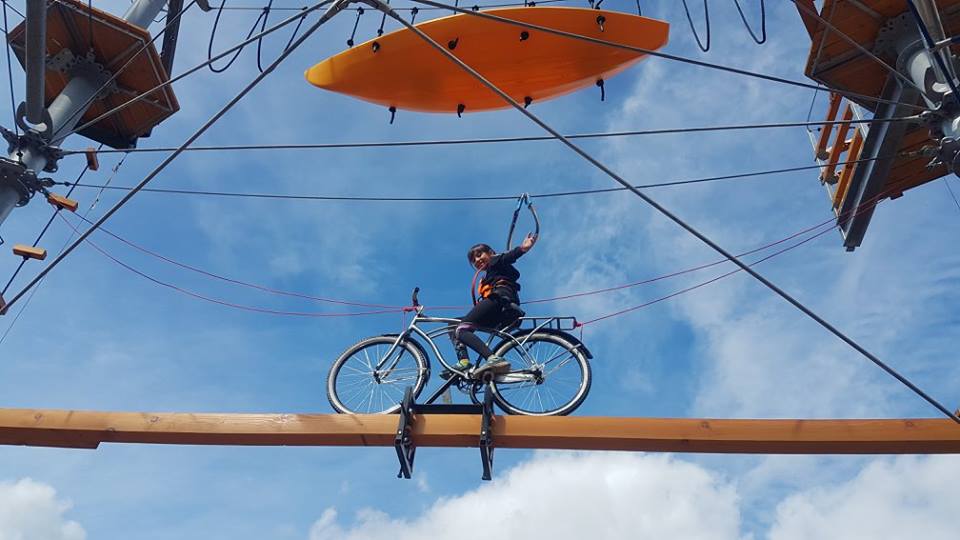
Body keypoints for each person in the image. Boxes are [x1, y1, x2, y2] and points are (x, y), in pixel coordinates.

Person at [448, 233, 538, 377]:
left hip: (500, 301)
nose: (477, 260)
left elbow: (507, 257)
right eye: (473, 260)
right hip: (498, 310)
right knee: (453, 325)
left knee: (462, 329)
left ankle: (493, 359)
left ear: (491, 253)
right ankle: (464, 362)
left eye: (479, 255)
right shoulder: (490, 274)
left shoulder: (495, 261)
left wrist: (523, 248)